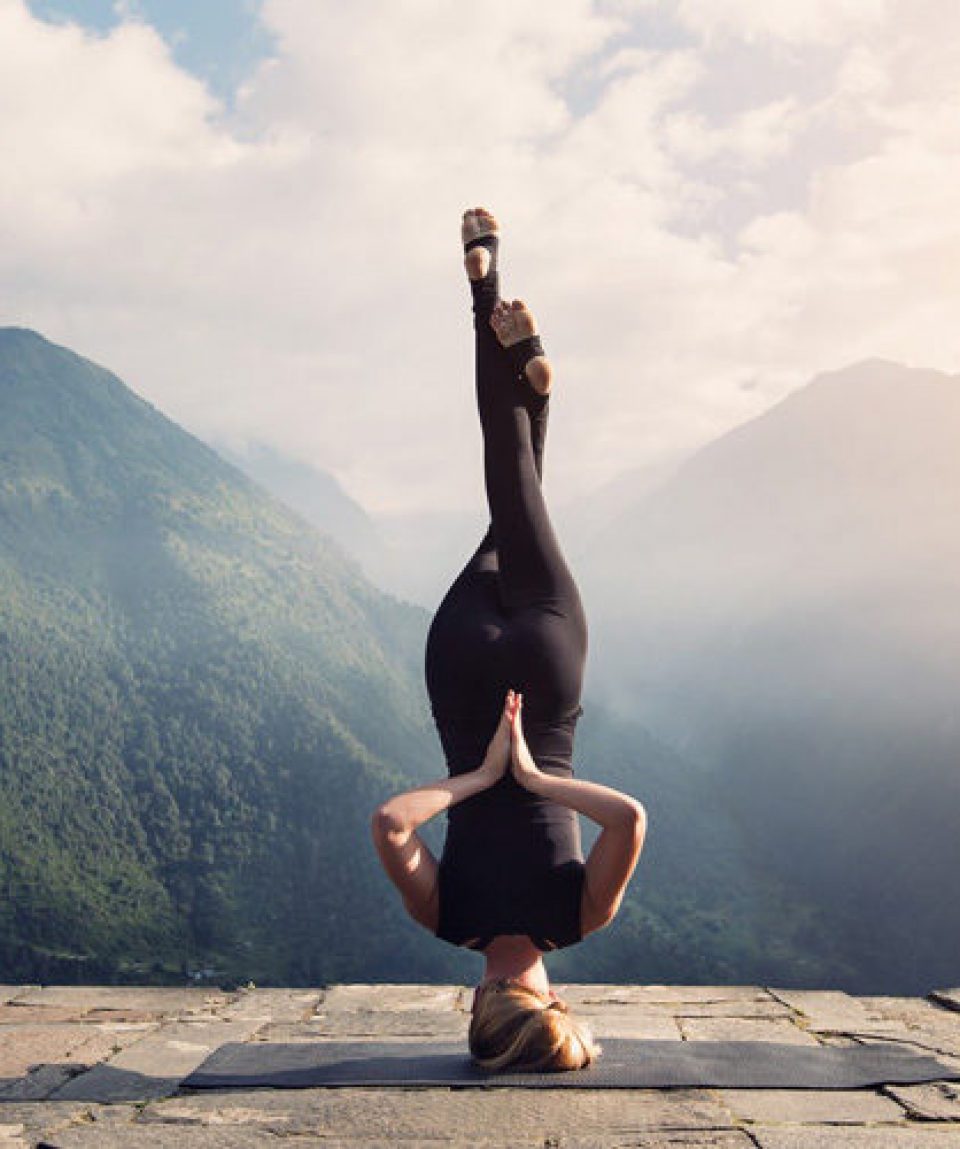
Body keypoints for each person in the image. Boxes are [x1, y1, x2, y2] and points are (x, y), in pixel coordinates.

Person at [371, 208, 646, 1072]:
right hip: (461, 674)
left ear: (554, 1000)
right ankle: (488, 304)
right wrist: (483, 774)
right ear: (480, 1007)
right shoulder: (444, 914)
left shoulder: (580, 916)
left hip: (549, 674)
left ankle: (529, 378)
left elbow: (629, 819)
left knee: (517, 491)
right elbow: (391, 822)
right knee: (510, 487)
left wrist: (533, 775)